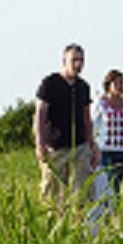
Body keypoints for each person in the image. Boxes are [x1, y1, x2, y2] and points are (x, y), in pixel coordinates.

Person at [35, 44, 99, 206]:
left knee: (84, 186)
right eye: (74, 60)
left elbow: (86, 117)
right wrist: (40, 143)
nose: (78, 64)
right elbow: (40, 115)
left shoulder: (83, 87)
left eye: (81, 60)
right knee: (52, 190)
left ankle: (80, 218)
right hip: (55, 145)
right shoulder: (50, 83)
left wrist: (91, 143)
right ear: (64, 60)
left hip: (79, 143)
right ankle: (53, 220)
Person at [92, 69, 123, 205]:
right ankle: (106, 214)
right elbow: (93, 126)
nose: (119, 86)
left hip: (122, 151)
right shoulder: (100, 103)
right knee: (107, 186)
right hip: (105, 150)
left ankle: (113, 214)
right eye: (116, 83)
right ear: (109, 84)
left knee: (117, 186)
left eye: (121, 83)